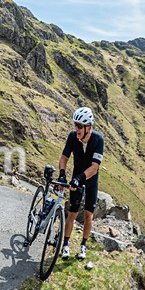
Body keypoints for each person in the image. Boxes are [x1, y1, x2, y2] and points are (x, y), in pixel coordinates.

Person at [58, 107, 104, 261]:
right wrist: (63, 175)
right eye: (75, 125)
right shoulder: (72, 137)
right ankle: (65, 244)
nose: (76, 129)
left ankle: (83, 245)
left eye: (79, 126)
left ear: (88, 127)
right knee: (72, 213)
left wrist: (79, 178)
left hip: (90, 180)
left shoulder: (98, 140)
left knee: (88, 215)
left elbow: (94, 167)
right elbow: (64, 158)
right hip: (75, 179)